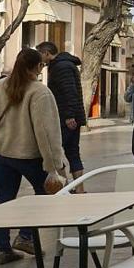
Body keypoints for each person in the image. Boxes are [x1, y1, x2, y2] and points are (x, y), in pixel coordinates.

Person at [0, 48, 67, 265]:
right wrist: (55, 164)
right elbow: (46, 132)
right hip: (29, 155)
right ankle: (26, 236)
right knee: (44, 194)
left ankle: (2, 249)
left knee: (3, 199)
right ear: (38, 67)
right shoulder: (40, 92)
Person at [37, 42, 87, 186]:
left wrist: (69, 116)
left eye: (40, 54)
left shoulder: (61, 67)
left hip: (66, 117)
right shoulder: (63, 65)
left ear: (46, 53)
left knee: (55, 152)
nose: (40, 58)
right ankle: (78, 188)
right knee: (72, 153)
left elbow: (69, 92)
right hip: (70, 116)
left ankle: (64, 186)